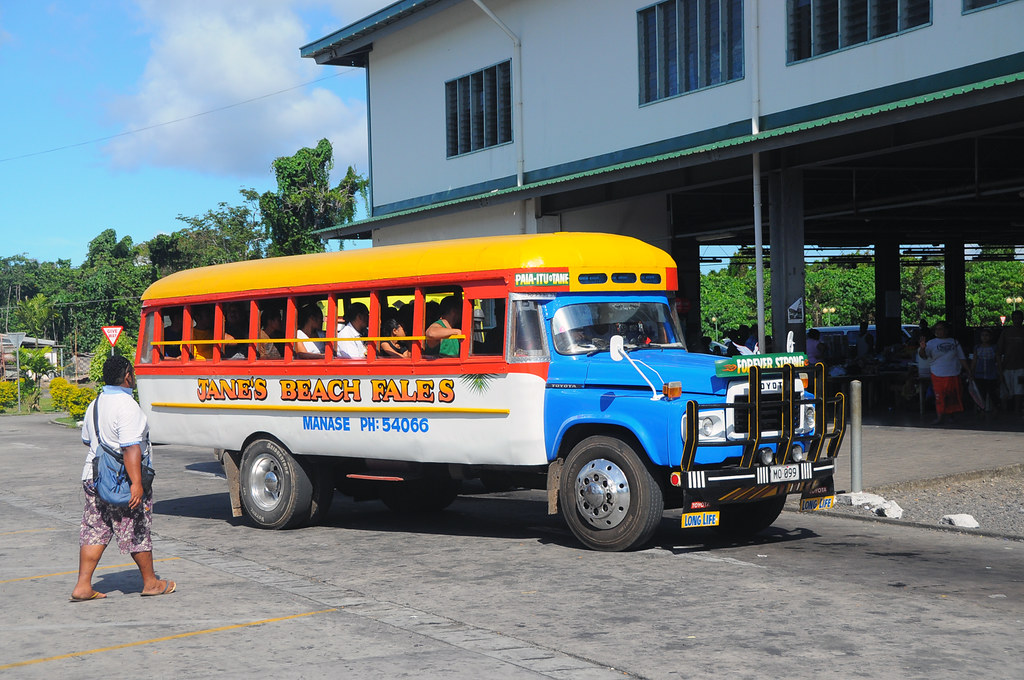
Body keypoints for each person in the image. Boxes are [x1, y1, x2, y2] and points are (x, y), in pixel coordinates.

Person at [71, 355, 175, 601]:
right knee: (137, 527)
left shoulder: (96, 403)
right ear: (127, 375)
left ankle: (83, 586)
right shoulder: (127, 406)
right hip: (122, 482)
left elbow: (88, 440)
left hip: (94, 477)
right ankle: (150, 583)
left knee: (95, 529)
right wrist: (136, 484)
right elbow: (131, 448)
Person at [919, 321, 971, 425]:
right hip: (938, 374)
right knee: (939, 396)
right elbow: (923, 356)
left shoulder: (954, 342)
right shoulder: (931, 343)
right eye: (937, 329)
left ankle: (951, 416)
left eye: (941, 329)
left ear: (946, 330)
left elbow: (961, 358)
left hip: (953, 373)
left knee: (952, 396)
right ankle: (939, 417)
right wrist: (922, 348)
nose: (939, 331)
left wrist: (968, 371)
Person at [997, 310, 1024, 417]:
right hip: (1007, 366)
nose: (1017, 320)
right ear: (1012, 319)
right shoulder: (1006, 332)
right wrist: (1000, 368)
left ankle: (1017, 410)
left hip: (1021, 366)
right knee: (1005, 389)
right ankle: (1005, 410)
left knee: (1019, 389)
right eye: (1015, 318)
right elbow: (999, 351)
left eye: (1019, 318)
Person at [971, 328, 999, 415]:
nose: (984, 337)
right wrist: (971, 372)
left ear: (990, 337)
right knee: (981, 392)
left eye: (987, 335)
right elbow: (974, 361)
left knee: (992, 392)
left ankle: (995, 408)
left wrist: (1000, 373)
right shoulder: (977, 348)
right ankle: (981, 409)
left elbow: (997, 361)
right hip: (979, 373)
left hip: (991, 373)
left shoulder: (994, 348)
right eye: (983, 335)